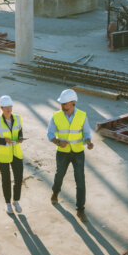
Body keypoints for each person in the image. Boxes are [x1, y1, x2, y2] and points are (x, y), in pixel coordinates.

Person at [47, 89, 94, 222]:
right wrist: (57, 141)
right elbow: (50, 133)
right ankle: (55, 192)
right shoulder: (56, 116)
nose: (62, 105)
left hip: (78, 152)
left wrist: (89, 142)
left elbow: (87, 133)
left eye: (65, 103)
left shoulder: (82, 115)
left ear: (73, 102)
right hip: (62, 153)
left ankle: (80, 209)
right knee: (59, 175)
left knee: (80, 181)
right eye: (61, 103)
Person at [0, 95, 24, 214]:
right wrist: (4, 140)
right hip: (3, 155)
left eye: (10, 106)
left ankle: (16, 201)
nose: (8, 109)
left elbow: (20, 131)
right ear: (1, 108)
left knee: (19, 178)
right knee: (6, 179)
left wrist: (20, 138)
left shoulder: (18, 118)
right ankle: (8, 203)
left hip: (16, 153)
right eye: (6, 107)